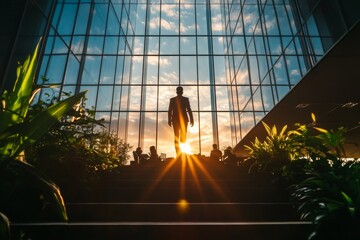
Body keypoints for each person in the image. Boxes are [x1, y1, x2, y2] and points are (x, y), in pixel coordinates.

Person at [168, 86, 194, 157]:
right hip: (182, 120)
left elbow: (170, 110)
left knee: (177, 137)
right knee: (182, 137)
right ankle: (181, 154)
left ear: (176, 91)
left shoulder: (173, 100)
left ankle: (179, 154)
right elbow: (189, 109)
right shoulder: (185, 99)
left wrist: (169, 120)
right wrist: (191, 119)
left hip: (176, 120)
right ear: (182, 92)